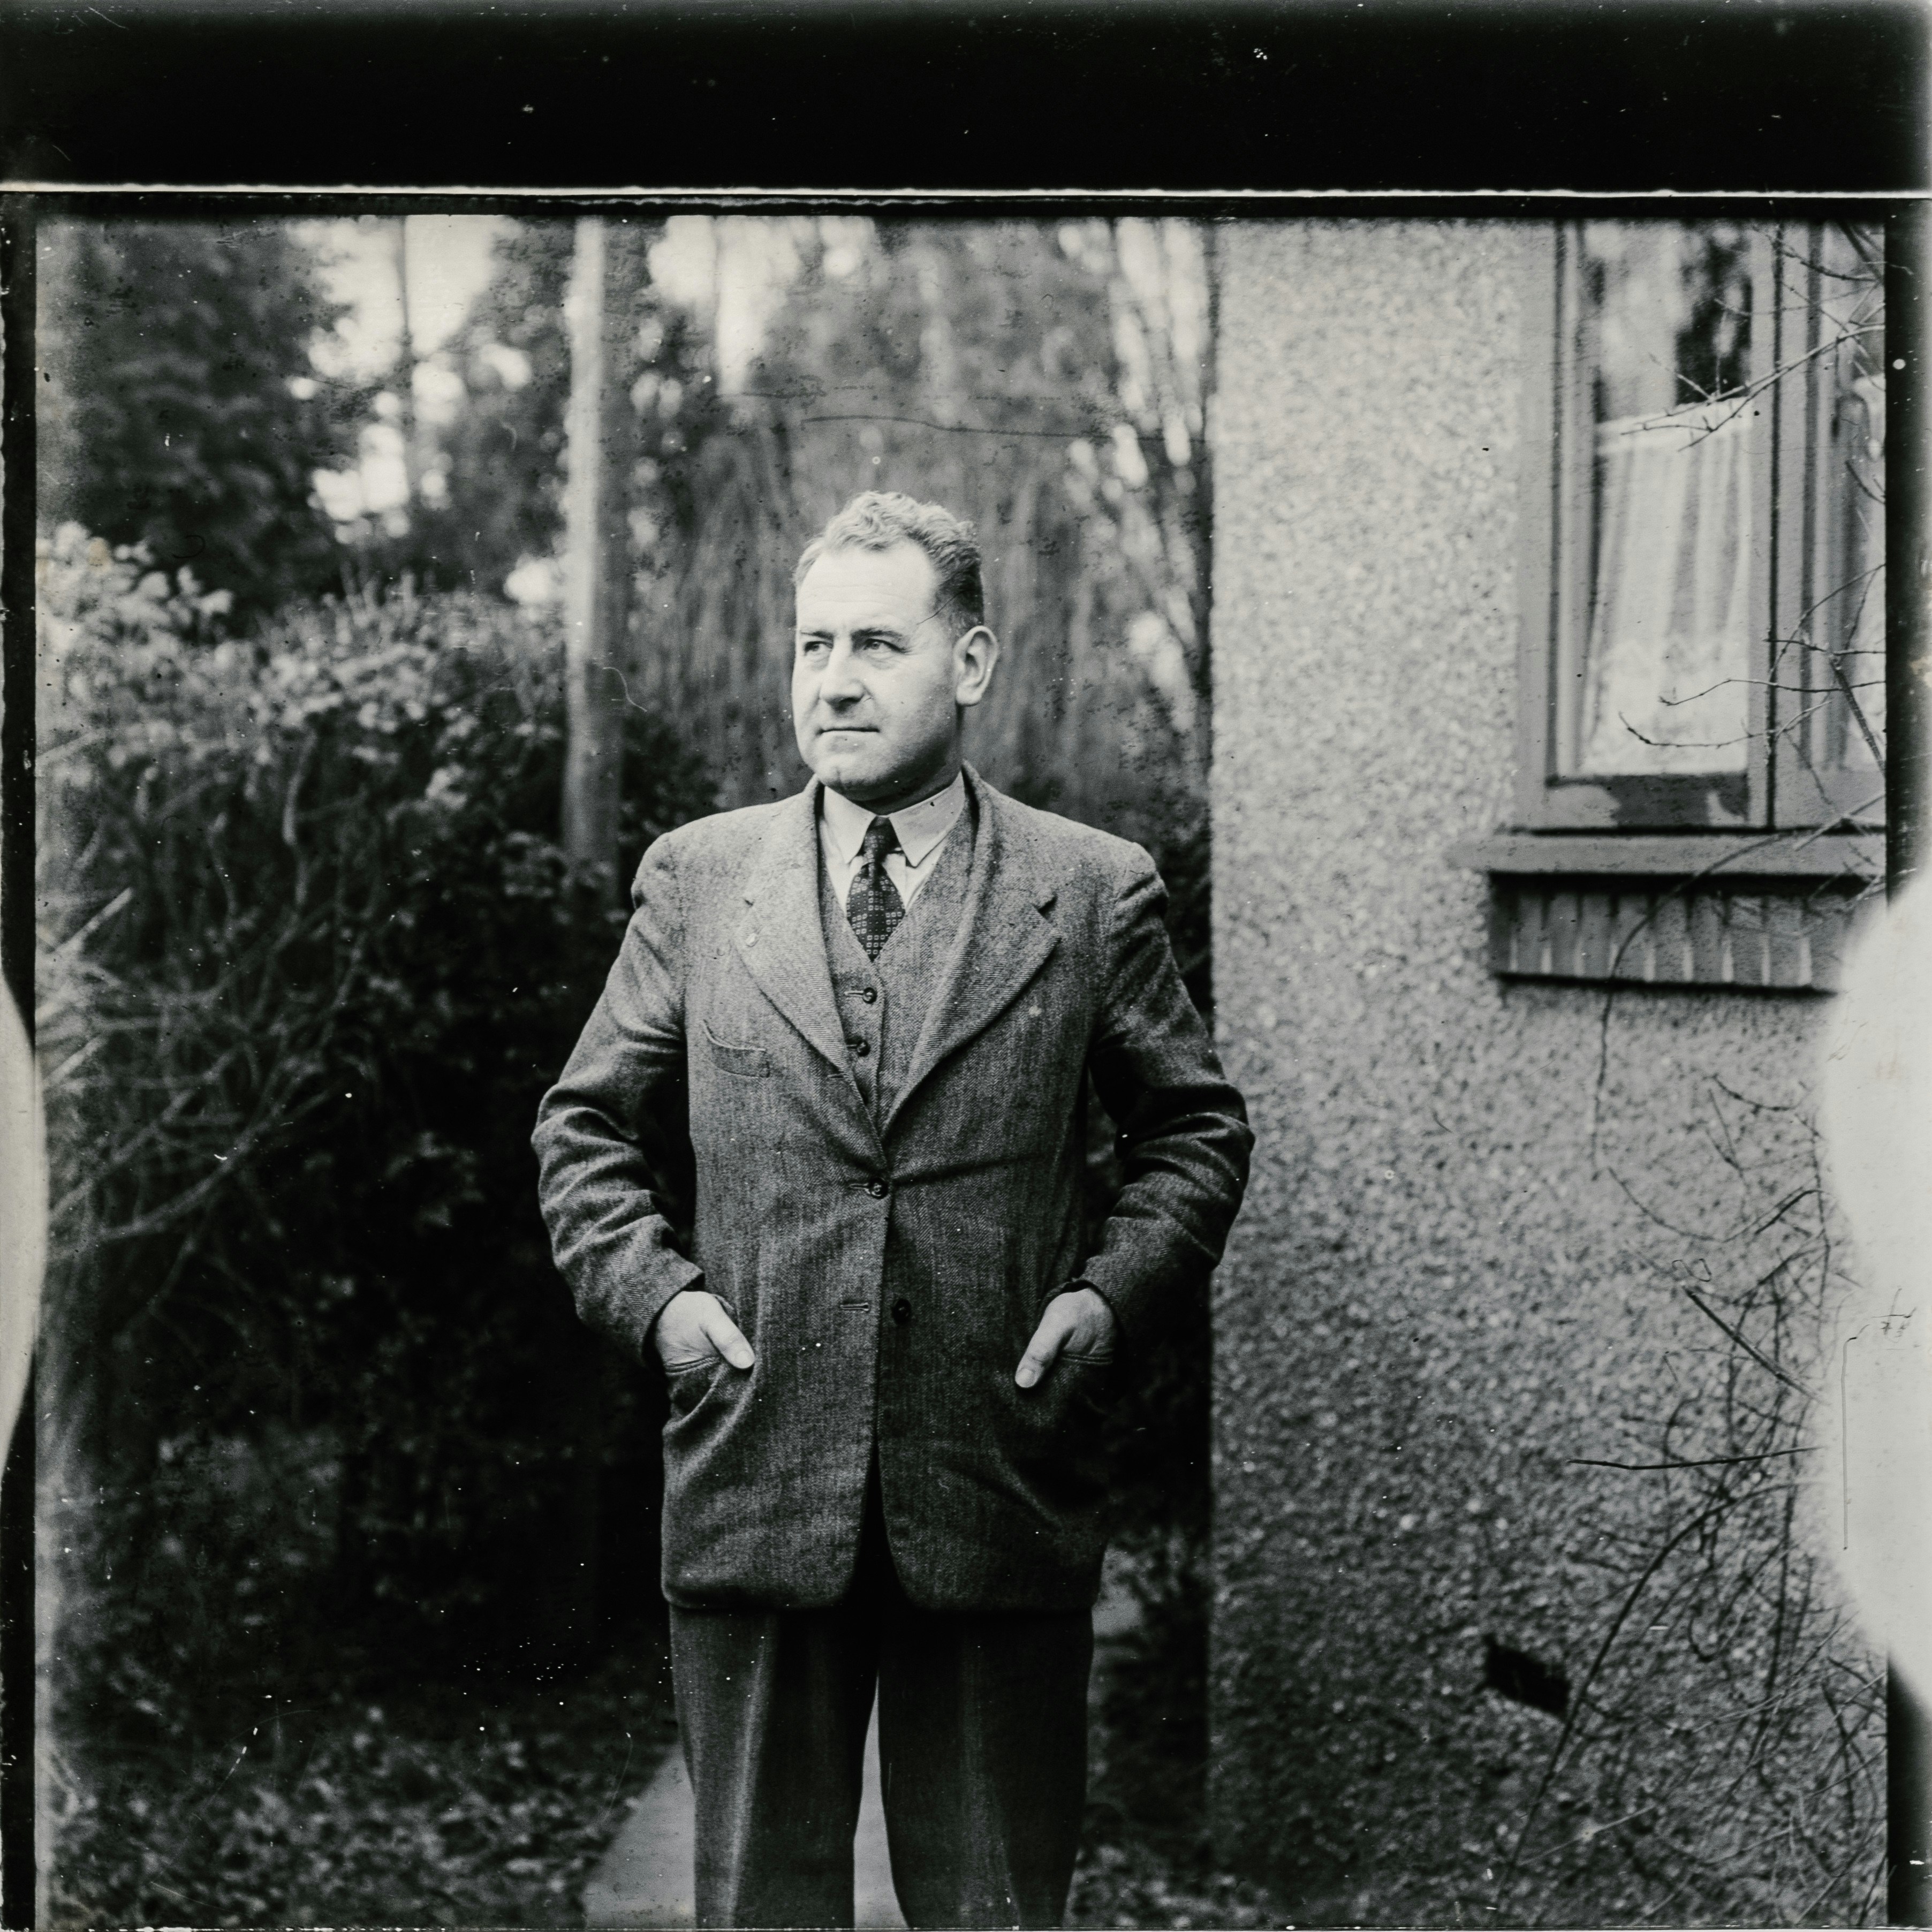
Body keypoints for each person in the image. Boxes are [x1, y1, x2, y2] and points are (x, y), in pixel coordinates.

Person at [533, 490, 1251, 1929]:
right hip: (755, 1470)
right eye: (813, 646)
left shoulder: (1089, 891)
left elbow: (1195, 1130)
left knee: (992, 1908)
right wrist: (662, 1307)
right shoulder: (700, 878)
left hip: (996, 1477)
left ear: (969, 663)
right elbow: (582, 1127)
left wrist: (1105, 1301)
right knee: (760, 1907)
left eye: (876, 643)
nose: (836, 681)